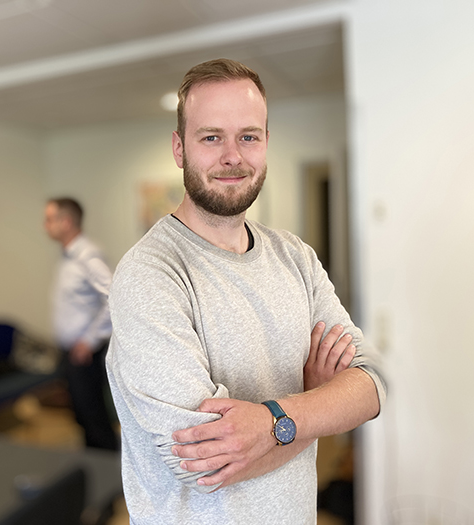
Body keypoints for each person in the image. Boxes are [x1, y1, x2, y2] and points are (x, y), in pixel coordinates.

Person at [105, 59, 386, 524]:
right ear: (179, 149)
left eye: (248, 136)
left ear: (265, 144)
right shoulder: (150, 274)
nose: (232, 155)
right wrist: (314, 409)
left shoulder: (295, 257)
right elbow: (203, 463)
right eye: (211, 137)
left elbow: (375, 380)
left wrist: (276, 421)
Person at [44, 197, 119, 451]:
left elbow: (114, 299)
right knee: (81, 416)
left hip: (85, 353)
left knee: (94, 417)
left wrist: (88, 341)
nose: (45, 225)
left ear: (65, 222)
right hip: (70, 351)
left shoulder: (88, 255)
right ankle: (94, 467)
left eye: (49, 219)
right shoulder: (67, 257)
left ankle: (110, 473)